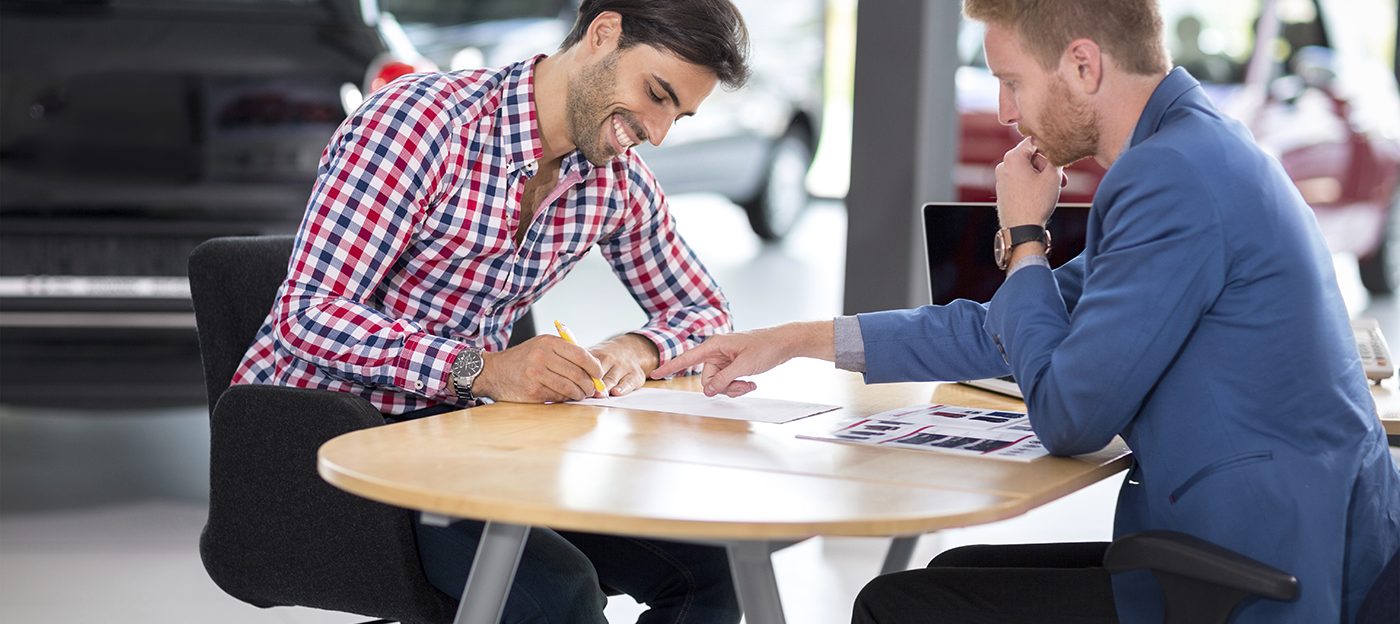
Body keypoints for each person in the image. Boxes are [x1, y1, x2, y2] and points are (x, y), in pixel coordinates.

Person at [653, 0, 1400, 622]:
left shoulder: (1169, 177)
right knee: (950, 573)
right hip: (1262, 539)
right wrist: (793, 340)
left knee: (901, 606)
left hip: (1253, 571)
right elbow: (1006, 324)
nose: (1005, 111)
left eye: (1011, 81)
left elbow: (1071, 416)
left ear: (1083, 64)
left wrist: (1026, 238)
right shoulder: (1191, 150)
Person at [232, 1, 751, 621]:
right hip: (327, 454)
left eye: (679, 115)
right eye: (656, 94)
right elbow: (307, 314)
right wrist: (480, 369)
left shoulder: (615, 183)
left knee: (712, 571)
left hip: (467, 456)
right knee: (560, 595)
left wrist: (632, 351)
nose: (659, 132)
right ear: (602, 34)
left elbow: (703, 309)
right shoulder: (419, 125)